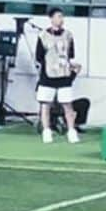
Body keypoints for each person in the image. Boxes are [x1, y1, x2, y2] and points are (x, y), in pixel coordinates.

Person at [34, 8, 81, 144]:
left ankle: (71, 131)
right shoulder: (43, 35)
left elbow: (70, 55)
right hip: (47, 76)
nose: (61, 19)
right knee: (46, 105)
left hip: (64, 76)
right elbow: (39, 56)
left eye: (62, 16)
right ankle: (46, 131)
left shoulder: (68, 35)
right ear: (52, 18)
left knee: (67, 105)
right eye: (59, 16)